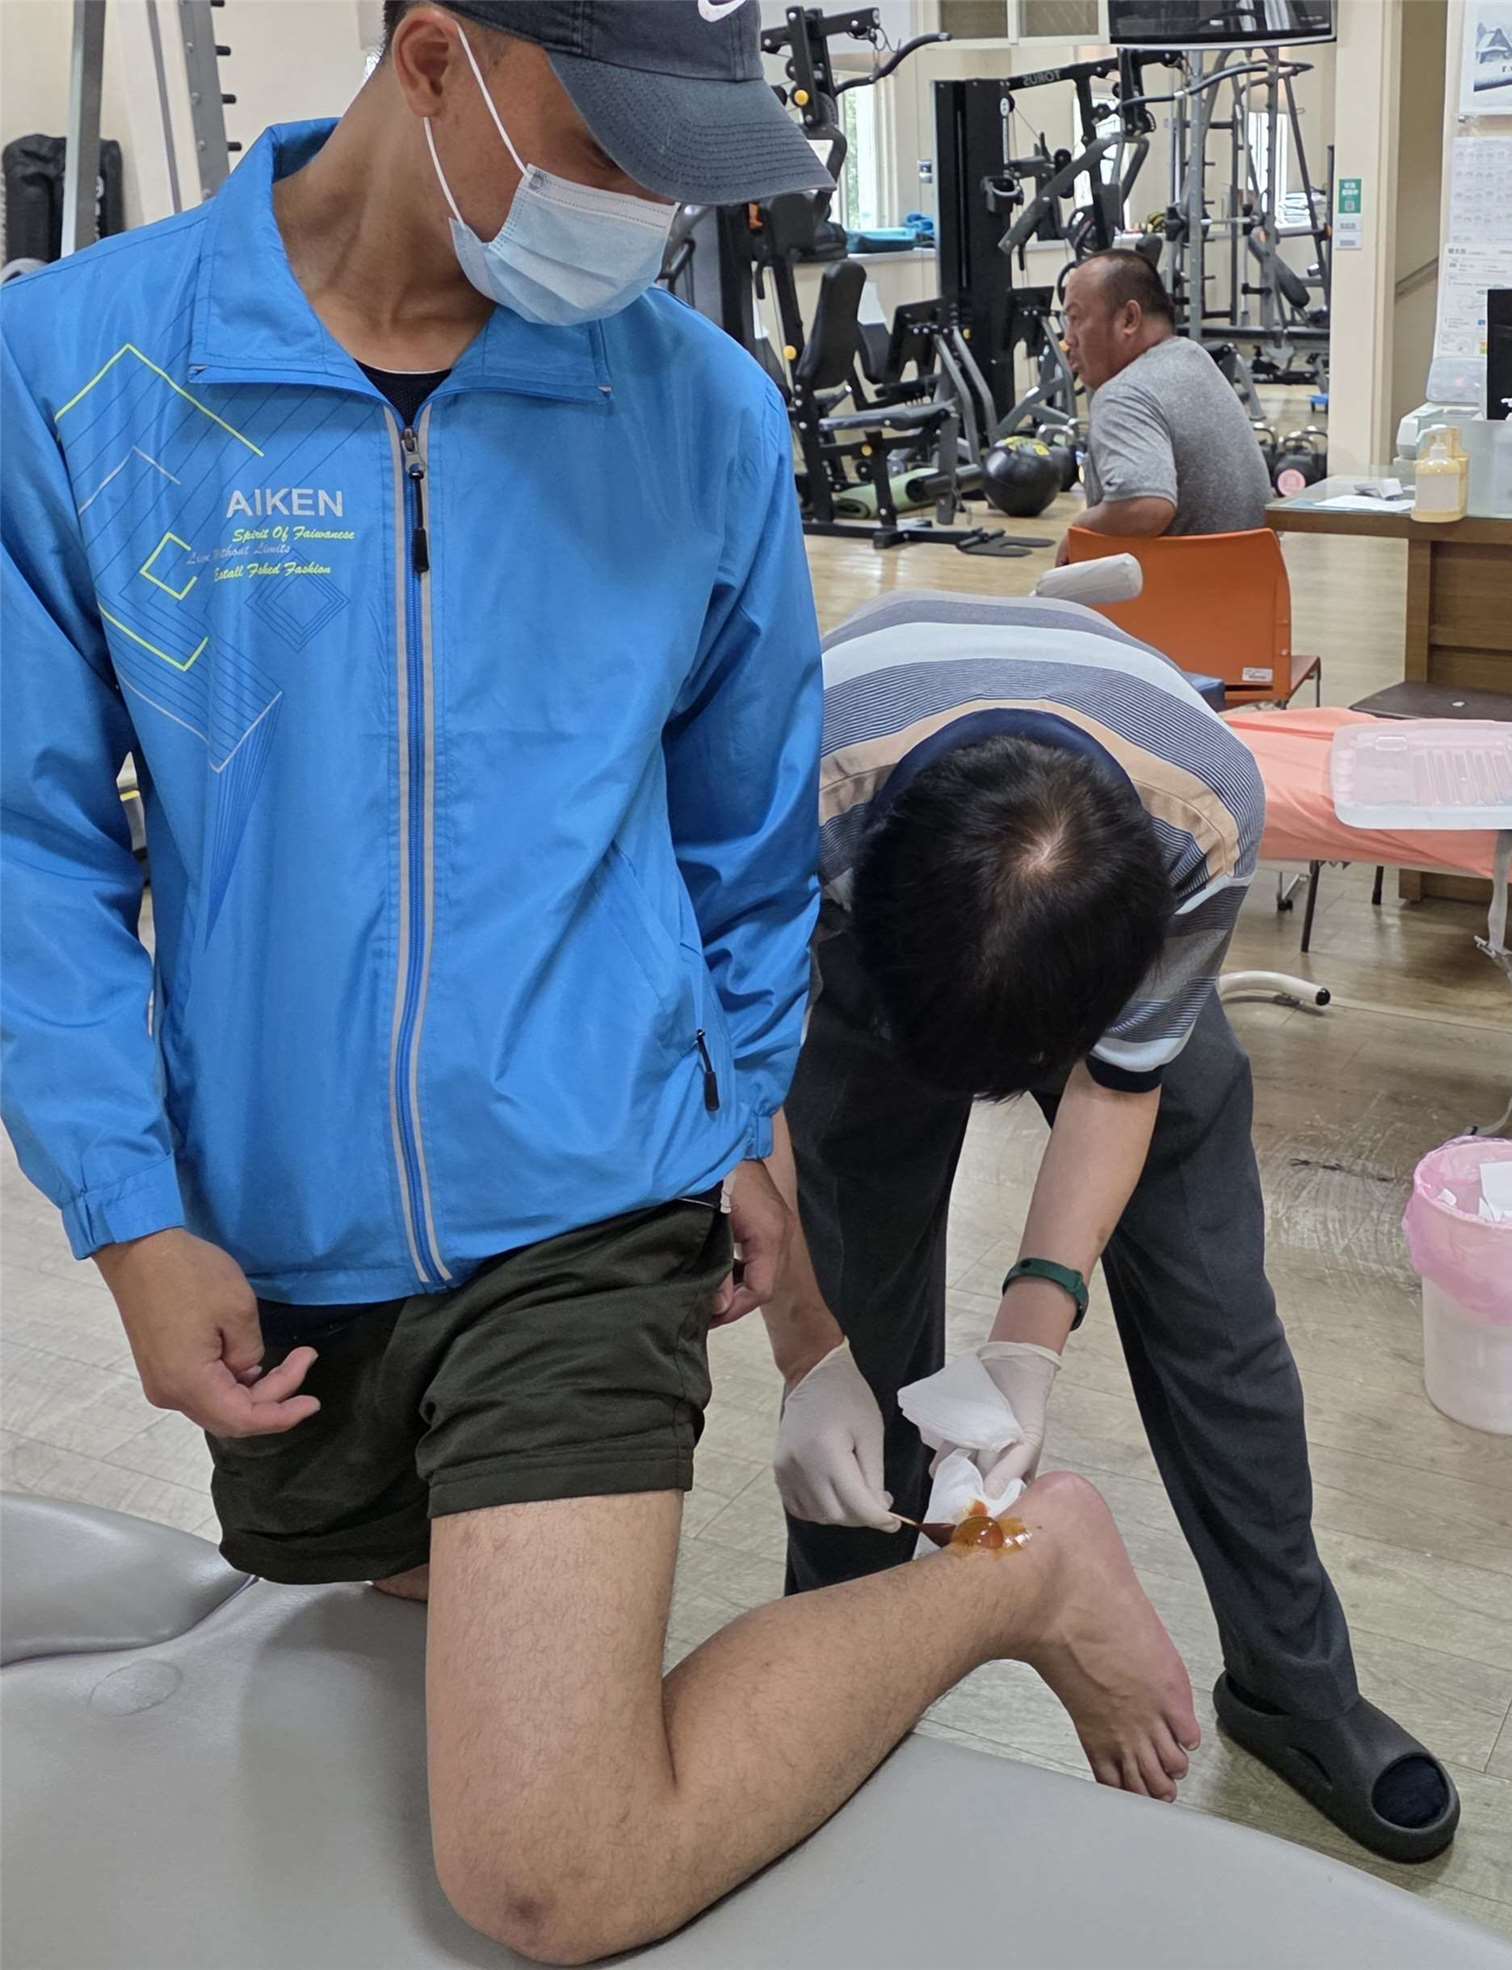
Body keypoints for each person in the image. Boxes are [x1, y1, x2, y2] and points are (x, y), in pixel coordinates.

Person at [0, 5, 1192, 1959]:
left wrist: (734, 1122)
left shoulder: (695, 410)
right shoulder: (78, 372)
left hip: (593, 1186)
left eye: (684, 165)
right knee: (387, 1733)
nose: (647, 211)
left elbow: (737, 847)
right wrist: (127, 1209)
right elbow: (32, 847)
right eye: (612, 147)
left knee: (540, 1866)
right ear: (433, 58)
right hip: (279, 1210)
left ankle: (1021, 1573)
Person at [768, 587, 1463, 1863]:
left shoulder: (1205, 806)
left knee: (1218, 1318)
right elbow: (732, 1078)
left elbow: (1121, 1081)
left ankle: (1295, 1685)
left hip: (1112, 869)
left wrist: (1030, 1332)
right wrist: (807, 1350)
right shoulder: (771, 788)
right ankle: (839, 1673)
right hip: (847, 906)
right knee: (856, 1311)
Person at [1059, 249, 1273, 539]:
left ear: (1129, 319)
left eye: (1075, 319)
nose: (1067, 340)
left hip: (1183, 570)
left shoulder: (1124, 394)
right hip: (1256, 568)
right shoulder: (1194, 358)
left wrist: (1079, 530)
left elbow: (1145, 507)